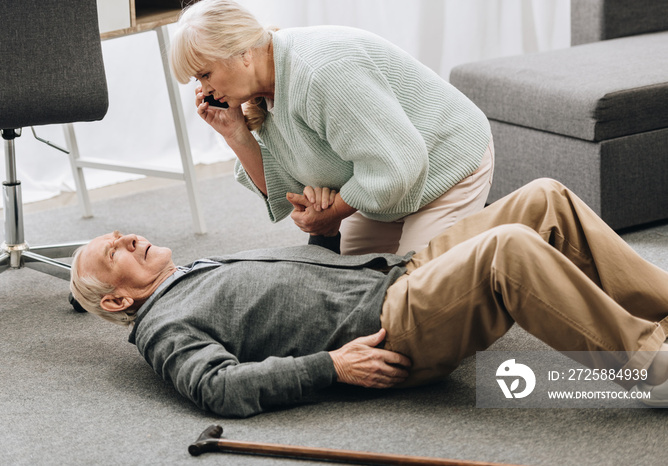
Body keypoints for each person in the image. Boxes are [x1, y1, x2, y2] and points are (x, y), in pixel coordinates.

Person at [69, 178, 668, 417]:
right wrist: (332, 365)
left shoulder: (191, 272)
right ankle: (648, 367)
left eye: (119, 234)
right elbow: (217, 388)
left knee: (543, 198)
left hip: (396, 273)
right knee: (507, 248)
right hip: (390, 324)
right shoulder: (163, 328)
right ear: (119, 302)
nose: (127, 237)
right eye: (114, 251)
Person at [168, 0, 494, 255]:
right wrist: (236, 134)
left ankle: (503, 231)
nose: (204, 90)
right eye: (197, 80)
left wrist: (335, 210)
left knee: (415, 302)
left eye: (205, 74)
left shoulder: (320, 74)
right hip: (387, 188)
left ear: (242, 54)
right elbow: (287, 191)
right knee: (346, 291)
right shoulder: (264, 92)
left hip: (447, 166)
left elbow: (399, 164)